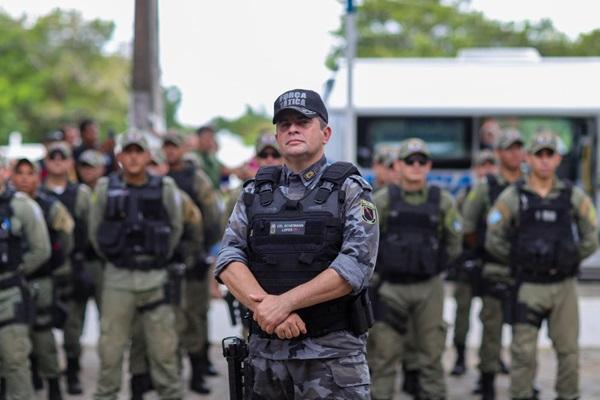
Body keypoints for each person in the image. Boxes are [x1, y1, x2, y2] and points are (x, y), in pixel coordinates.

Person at [216, 88, 379, 399]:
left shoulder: (350, 190)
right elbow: (229, 257)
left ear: (325, 132)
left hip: (331, 357)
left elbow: (354, 267)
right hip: (266, 358)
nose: (292, 128)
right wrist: (267, 307)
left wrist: (285, 303)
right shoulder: (254, 193)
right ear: (277, 136)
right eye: (284, 123)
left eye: (303, 122)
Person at [486, 132, 598, 400]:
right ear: (530, 159)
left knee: (568, 351)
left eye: (550, 155)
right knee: (523, 353)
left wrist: (569, 257)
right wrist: (517, 259)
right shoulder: (515, 196)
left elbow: (591, 234)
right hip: (528, 286)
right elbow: (494, 236)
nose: (545, 161)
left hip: (563, 286)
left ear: (558, 159)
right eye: (539, 155)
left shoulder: (572, 195)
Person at [89, 132, 183, 400]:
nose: (132, 157)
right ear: (119, 156)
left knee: (164, 351)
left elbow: (175, 228)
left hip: (155, 277)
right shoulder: (105, 188)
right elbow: (96, 233)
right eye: (127, 151)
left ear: (147, 156)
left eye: (138, 151)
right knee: (110, 351)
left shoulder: (165, 188)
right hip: (118, 278)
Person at [368, 138, 462, 400]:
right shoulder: (382, 201)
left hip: (428, 288)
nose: (416, 166)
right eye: (410, 160)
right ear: (398, 165)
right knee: (384, 357)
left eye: (422, 161)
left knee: (431, 355)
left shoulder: (442, 202)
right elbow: (366, 242)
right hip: (389, 288)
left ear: (429, 165)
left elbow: (454, 244)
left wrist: (434, 267)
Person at [128, 147, 211, 398]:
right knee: (139, 332)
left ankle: (182, 378)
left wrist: (185, 259)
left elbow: (195, 228)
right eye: (148, 164)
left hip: (171, 273)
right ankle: (140, 382)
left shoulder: (177, 197)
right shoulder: (127, 194)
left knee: (176, 327)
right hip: (136, 273)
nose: (151, 169)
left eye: (156, 164)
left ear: (164, 168)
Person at [461, 129, 525, 399]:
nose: (515, 153)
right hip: (495, 267)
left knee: (525, 332)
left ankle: (525, 380)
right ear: (498, 153)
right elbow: (468, 226)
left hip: (527, 269)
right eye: (508, 148)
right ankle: (487, 382)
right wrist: (482, 252)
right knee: (492, 329)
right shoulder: (485, 187)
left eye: (518, 148)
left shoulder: (532, 184)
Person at [12, 158, 74, 400]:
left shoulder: (51, 206)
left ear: (38, 176)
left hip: (41, 278)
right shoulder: (9, 205)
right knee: (14, 336)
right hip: (12, 283)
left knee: (43, 332)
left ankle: (53, 385)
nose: (25, 178)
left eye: (30, 173)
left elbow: (66, 240)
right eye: (20, 173)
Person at [163, 132, 222, 379]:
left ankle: (200, 366)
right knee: (172, 314)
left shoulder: (195, 177)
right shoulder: (160, 176)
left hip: (194, 252)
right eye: (166, 147)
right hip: (168, 255)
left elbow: (212, 216)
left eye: (174, 147)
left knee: (196, 312)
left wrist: (204, 252)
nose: (170, 152)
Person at [41, 142, 93, 395]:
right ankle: (43, 372)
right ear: (46, 161)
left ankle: (72, 372)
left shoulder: (80, 194)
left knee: (73, 328)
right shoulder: (37, 193)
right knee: (40, 326)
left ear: (71, 162)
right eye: (53, 157)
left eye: (63, 157)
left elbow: (90, 231)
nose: (58, 161)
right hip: (44, 269)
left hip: (73, 267)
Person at [0, 154, 51, 400]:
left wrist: (16, 272)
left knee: (15, 360)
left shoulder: (22, 206)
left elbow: (41, 249)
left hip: (10, 295)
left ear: (4, 172)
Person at [449, 149, 498, 377]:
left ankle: (493, 360)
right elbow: (457, 229)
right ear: (475, 170)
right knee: (462, 315)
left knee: (495, 317)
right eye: (483, 166)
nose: (487, 170)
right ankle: (460, 357)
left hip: (492, 265)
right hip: (468, 264)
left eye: (491, 165)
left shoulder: (502, 196)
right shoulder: (465, 196)